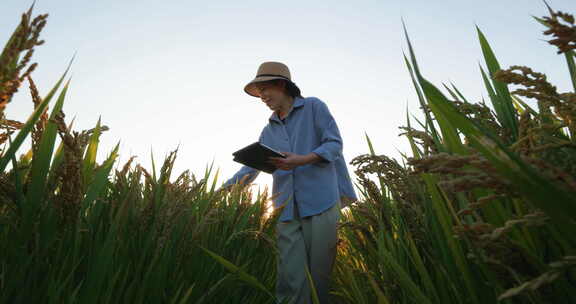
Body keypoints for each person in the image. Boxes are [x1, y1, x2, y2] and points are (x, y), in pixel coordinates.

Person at [222, 61, 357, 304]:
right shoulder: (268, 131)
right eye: (259, 92)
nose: (262, 96)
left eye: (265, 89)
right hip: (285, 209)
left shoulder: (314, 107)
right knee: (289, 279)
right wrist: (225, 189)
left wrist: (303, 160)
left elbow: (334, 144)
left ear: (281, 85)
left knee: (319, 278)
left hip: (321, 202)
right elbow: (251, 167)